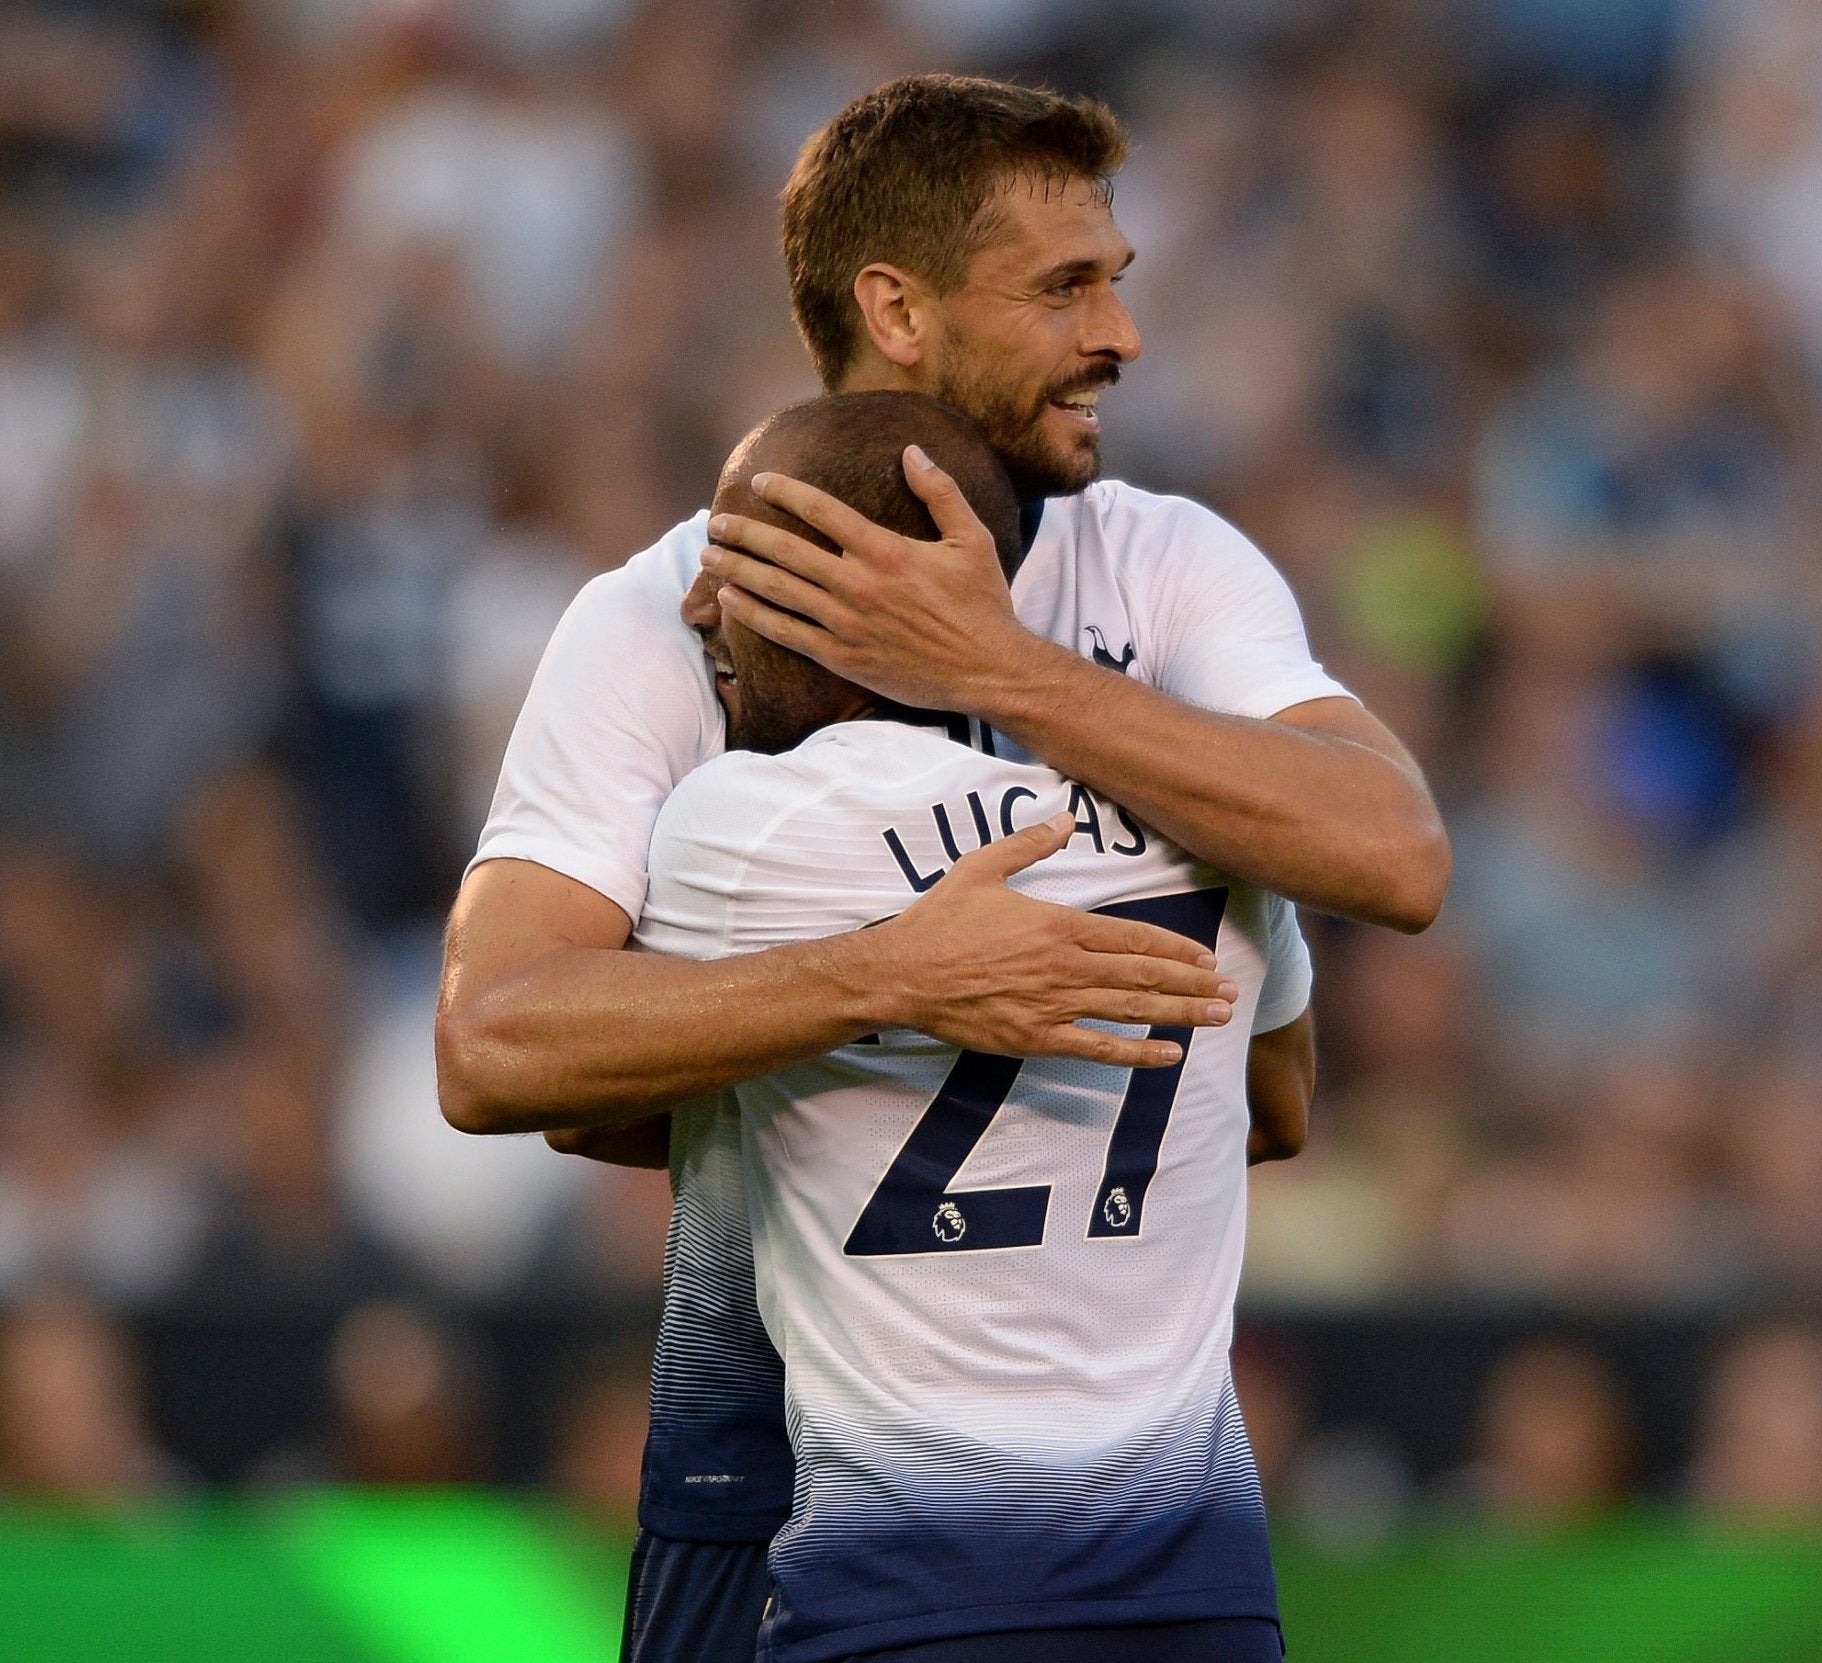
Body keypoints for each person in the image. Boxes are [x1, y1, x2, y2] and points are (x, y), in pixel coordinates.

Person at [434, 71, 1441, 1663]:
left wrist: (1005, 669)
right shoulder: (661, 619)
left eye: (1118, 277)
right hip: (752, 1490)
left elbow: (1391, 852)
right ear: (895, 308)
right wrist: (898, 994)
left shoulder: (1163, 562)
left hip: (1081, 1521)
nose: (1119, 333)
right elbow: (505, 1044)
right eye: (1064, 287)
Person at [638, 390, 1311, 1662]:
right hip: (1205, 1598)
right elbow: (1280, 1104)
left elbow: (562, 1080)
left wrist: (881, 1007)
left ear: (859, 594)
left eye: (734, 566)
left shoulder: (741, 826)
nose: (694, 609)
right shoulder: (1221, 827)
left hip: (908, 1595)